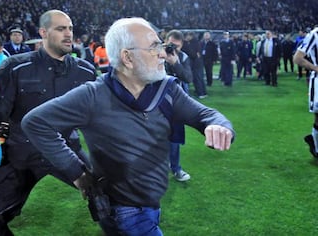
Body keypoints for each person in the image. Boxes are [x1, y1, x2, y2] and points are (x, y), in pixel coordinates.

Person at [21, 17, 235, 235]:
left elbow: (206, 114)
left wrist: (218, 126)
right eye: (154, 47)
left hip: (150, 206)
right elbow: (36, 122)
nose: (162, 53)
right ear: (127, 57)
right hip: (124, 212)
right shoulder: (93, 95)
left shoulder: (165, 90)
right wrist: (76, 172)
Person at [0, 9, 96, 236]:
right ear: (43, 32)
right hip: (21, 153)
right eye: (61, 29)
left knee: (115, 194)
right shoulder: (15, 67)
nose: (68, 34)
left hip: (66, 151)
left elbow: (98, 119)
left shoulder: (85, 71)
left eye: (70, 28)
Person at [164, 29, 193, 181]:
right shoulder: (156, 54)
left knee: (175, 137)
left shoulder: (183, 57)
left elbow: (188, 78)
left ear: (181, 46)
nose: (173, 49)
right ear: (165, 41)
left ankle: (175, 168)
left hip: (176, 103)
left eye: (176, 46)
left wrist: (175, 63)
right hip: (156, 102)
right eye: (170, 45)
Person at [293, 27, 318, 159]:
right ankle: (316, 147)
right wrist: (315, 68)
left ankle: (314, 142)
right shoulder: (314, 35)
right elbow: (297, 58)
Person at [182, 31, 207, 99]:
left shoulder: (192, 43)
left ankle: (200, 93)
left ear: (190, 36)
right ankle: (203, 92)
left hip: (196, 64)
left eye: (187, 36)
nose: (186, 38)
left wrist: (186, 44)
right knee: (200, 78)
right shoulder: (197, 42)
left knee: (197, 78)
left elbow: (193, 54)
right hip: (198, 63)